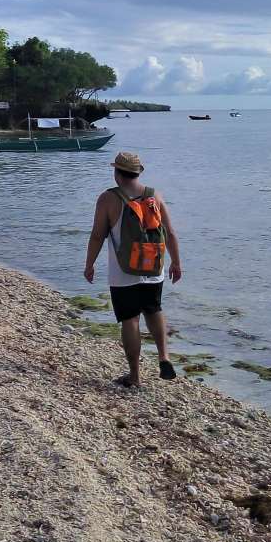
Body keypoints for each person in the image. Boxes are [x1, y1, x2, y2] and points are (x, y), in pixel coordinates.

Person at [83, 151, 182, 387]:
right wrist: (176, 263)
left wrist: (89, 264)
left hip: (123, 271)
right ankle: (164, 357)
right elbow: (169, 232)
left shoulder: (108, 199)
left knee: (130, 319)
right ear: (138, 173)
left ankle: (135, 376)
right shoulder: (154, 195)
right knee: (154, 309)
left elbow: (97, 235)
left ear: (117, 173)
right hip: (153, 267)